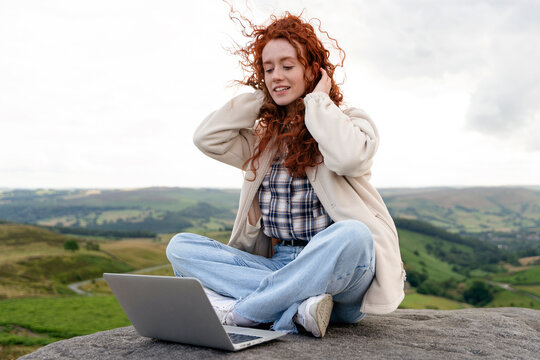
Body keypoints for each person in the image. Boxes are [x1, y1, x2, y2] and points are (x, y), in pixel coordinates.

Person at [166, 11, 405, 337]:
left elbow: (350, 158)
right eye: (268, 69)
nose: (277, 75)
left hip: (339, 273)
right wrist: (264, 97)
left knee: (355, 234)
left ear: (312, 70)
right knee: (180, 248)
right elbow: (207, 138)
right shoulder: (264, 140)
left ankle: (246, 312)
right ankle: (299, 309)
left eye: (288, 66)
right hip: (280, 263)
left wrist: (318, 102)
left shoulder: (347, 121)